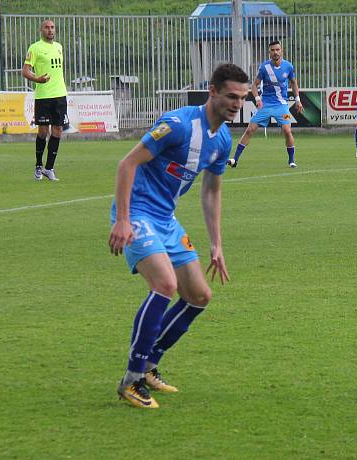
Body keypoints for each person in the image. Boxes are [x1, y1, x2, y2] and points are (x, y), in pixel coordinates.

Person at [108, 64, 250, 409]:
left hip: (166, 220)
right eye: (231, 96)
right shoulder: (177, 125)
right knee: (165, 285)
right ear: (212, 91)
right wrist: (123, 220)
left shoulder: (222, 140)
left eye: (243, 99)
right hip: (139, 213)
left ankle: (151, 363)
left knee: (199, 295)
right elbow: (127, 164)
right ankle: (131, 378)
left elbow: (212, 192)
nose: (237, 104)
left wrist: (216, 244)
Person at [229, 40, 303, 169]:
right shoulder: (264, 68)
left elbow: (294, 83)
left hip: (282, 106)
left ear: (281, 51)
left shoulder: (288, 66)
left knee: (287, 130)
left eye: (277, 50)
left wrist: (297, 99)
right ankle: (235, 159)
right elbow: (254, 85)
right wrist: (257, 98)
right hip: (266, 105)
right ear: (269, 52)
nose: (275, 52)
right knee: (250, 130)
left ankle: (291, 160)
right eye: (273, 50)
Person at [22, 19, 67, 181]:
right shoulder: (35, 48)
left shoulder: (59, 47)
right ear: (41, 30)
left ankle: (49, 168)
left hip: (60, 95)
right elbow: (25, 71)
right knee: (43, 132)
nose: (50, 30)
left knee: (58, 131)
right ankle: (38, 165)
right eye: (47, 28)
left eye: (52, 27)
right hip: (43, 96)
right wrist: (37, 79)